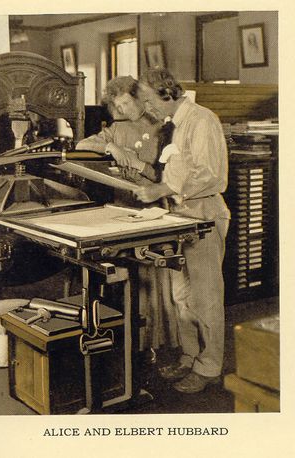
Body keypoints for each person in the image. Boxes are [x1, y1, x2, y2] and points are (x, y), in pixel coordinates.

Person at [134, 68, 230, 393]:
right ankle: (190, 355)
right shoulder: (173, 126)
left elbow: (213, 175)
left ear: (167, 92)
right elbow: (174, 172)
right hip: (179, 217)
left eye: (149, 100)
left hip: (204, 214)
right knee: (180, 296)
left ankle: (210, 367)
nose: (148, 109)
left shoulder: (202, 120)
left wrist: (161, 190)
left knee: (206, 297)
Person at [76, 75, 179, 352]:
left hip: (154, 208)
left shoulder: (163, 127)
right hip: (124, 209)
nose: (122, 110)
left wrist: (138, 164)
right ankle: (133, 343)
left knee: (155, 280)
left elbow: (167, 176)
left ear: (138, 98)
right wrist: (110, 146)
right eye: (117, 105)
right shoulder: (117, 127)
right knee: (130, 276)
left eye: (125, 102)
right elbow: (81, 146)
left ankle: (157, 342)